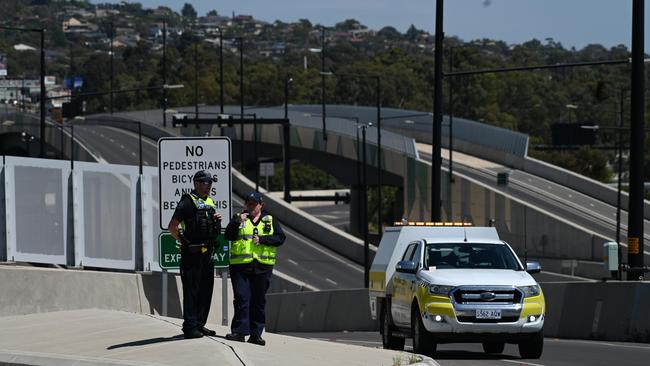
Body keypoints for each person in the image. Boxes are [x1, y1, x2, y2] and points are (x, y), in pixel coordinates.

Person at [224, 191, 286, 346]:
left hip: (262, 267)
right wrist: (236, 222)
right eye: (249, 203)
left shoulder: (270, 220)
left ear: (261, 205)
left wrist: (263, 240)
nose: (251, 206)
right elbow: (228, 235)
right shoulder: (239, 218)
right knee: (241, 299)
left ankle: (256, 334)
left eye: (254, 203)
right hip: (240, 267)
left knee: (258, 301)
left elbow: (280, 238)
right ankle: (239, 331)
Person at [168, 170, 222, 339]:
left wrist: (216, 221)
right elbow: (173, 226)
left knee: (206, 290)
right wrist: (186, 244)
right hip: (192, 254)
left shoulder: (209, 202)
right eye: (206, 183)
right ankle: (190, 327)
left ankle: (200, 324)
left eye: (210, 183)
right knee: (192, 290)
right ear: (196, 183)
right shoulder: (187, 202)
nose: (209, 186)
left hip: (207, 253)